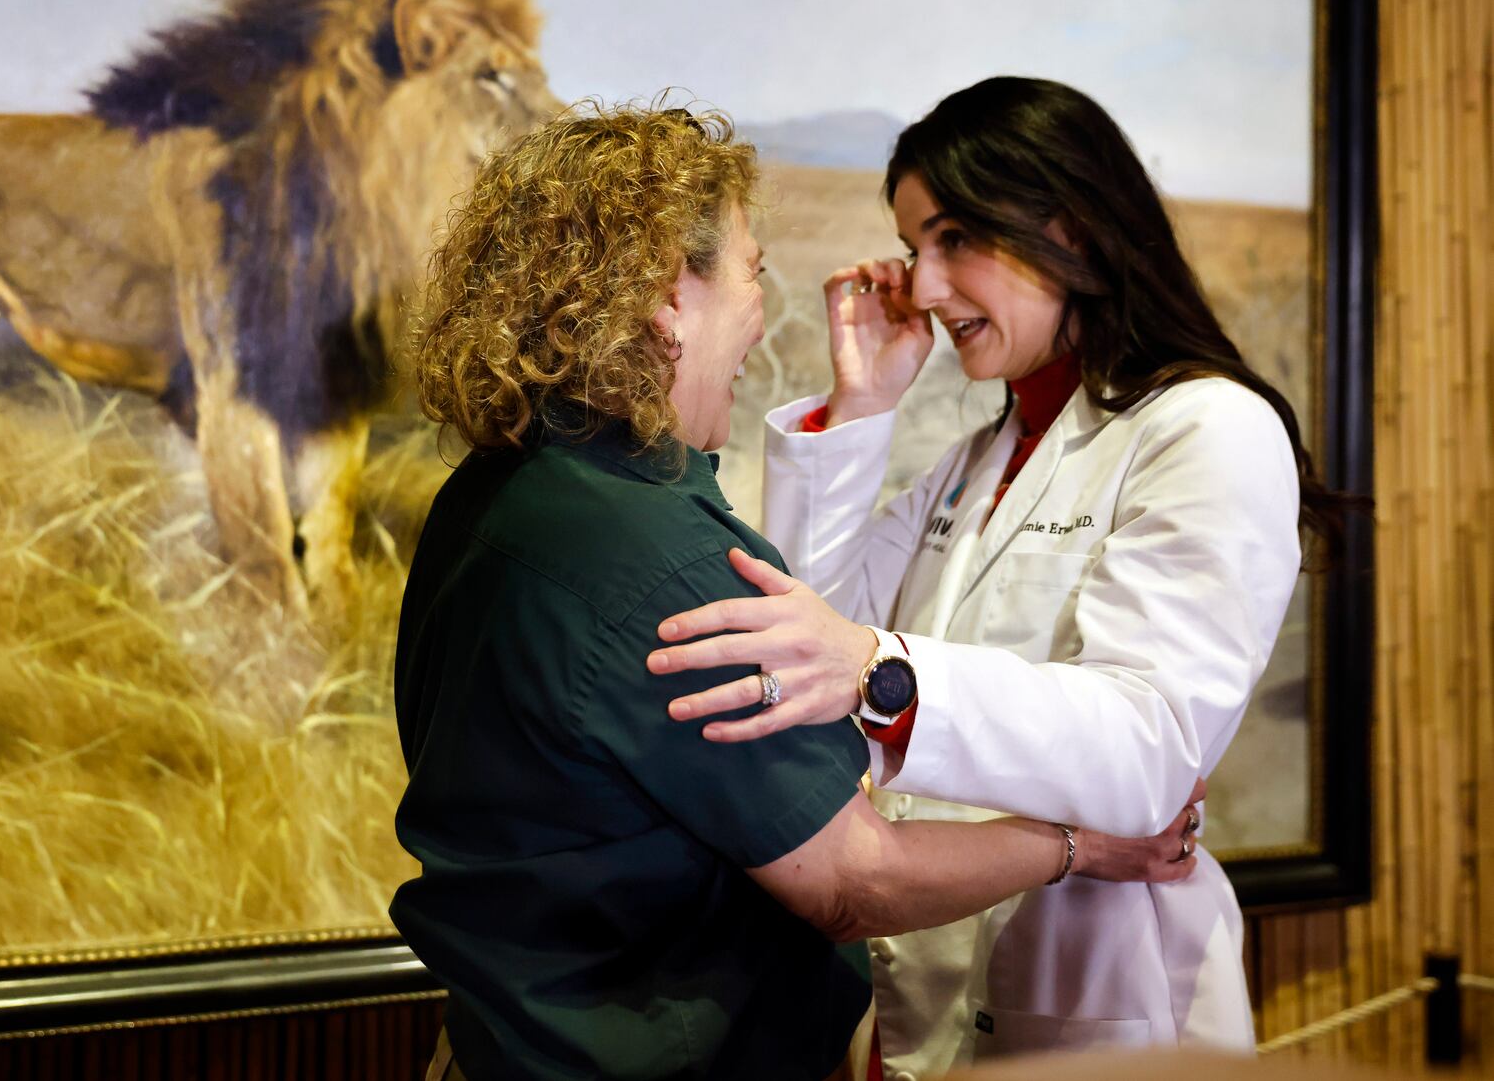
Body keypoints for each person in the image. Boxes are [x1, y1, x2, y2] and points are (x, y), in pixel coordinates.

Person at [391, 102, 1197, 1081]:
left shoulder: (498, 494)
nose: (763, 308)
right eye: (751, 271)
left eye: (955, 241)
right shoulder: (651, 557)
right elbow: (854, 879)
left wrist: (862, 409)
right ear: (663, 297)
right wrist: (1079, 841)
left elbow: (816, 629)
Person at [654, 77, 1333, 1073]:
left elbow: (1149, 748)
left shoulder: (1208, 428)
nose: (924, 288)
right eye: (913, 248)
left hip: (1096, 994)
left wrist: (882, 673)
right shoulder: (986, 452)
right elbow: (812, 642)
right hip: (912, 1004)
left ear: (1070, 222)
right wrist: (861, 408)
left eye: (954, 238)